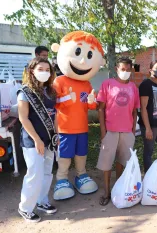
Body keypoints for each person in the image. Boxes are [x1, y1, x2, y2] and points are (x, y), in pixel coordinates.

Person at [52, 31, 104, 200]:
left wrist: (91, 101)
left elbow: (91, 106)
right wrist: (67, 98)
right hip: (65, 129)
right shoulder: (59, 81)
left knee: (81, 154)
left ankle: (81, 175)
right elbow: (53, 102)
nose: (82, 61)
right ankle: (62, 178)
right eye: (78, 53)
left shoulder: (87, 84)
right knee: (65, 155)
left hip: (82, 128)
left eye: (89, 55)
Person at [17, 57, 57, 223]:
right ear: (32, 71)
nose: (44, 73)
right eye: (40, 69)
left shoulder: (50, 91)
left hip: (49, 140)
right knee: (34, 174)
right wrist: (36, 139)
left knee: (47, 172)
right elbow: (23, 118)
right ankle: (25, 208)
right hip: (32, 141)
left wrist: (56, 135)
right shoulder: (24, 92)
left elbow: (54, 115)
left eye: (47, 70)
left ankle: (42, 201)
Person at [96, 57, 140, 206]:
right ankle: (107, 191)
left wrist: (133, 129)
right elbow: (100, 108)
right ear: (117, 69)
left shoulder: (133, 87)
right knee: (107, 163)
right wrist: (103, 130)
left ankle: (118, 188)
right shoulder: (107, 84)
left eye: (128, 70)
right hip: (110, 130)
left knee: (123, 162)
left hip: (127, 131)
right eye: (123, 69)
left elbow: (135, 110)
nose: (125, 72)